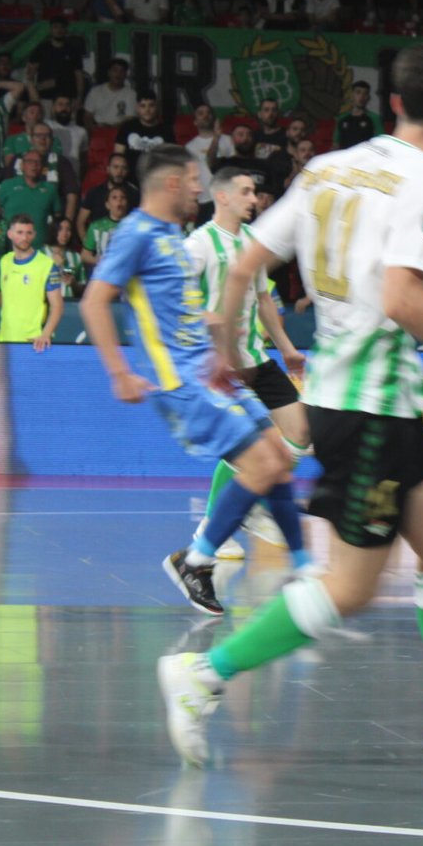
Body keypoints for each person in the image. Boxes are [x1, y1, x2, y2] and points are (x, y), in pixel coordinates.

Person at [158, 42, 423, 775]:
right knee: (350, 586)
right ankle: (203, 676)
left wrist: (229, 350)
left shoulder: (328, 168)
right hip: (367, 407)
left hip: (368, 400)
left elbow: (244, 265)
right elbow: (402, 298)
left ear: (395, 101)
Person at [80, 145, 311, 618]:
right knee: (264, 466)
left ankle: (307, 570)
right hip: (181, 381)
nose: (197, 190)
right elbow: (93, 301)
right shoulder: (138, 233)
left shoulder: (170, 233)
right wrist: (120, 373)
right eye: (191, 181)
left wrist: (219, 345)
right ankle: (197, 558)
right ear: (170, 184)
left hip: (210, 370)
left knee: (280, 457)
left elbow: (183, 312)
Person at [184, 169, 311, 560]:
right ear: (220, 196)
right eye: (245, 191)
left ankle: (251, 502)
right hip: (223, 368)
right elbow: (177, 301)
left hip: (258, 359)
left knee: (301, 433)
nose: (253, 198)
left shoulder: (253, 243)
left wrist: (287, 347)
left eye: (254, 191)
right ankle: (212, 522)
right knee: (250, 451)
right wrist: (208, 318)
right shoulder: (199, 244)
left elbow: (265, 299)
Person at [0, 213, 62, 352]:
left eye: (28, 233)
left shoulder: (46, 265)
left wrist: (45, 334)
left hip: (33, 342)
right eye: (19, 232)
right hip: (4, 339)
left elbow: (57, 306)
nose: (24, 238)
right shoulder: (4, 261)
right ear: (10, 234)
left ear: (34, 235)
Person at [80, 181, 129, 269]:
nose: (119, 201)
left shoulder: (135, 226)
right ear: (107, 205)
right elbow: (85, 255)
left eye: (123, 198)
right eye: (114, 198)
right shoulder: (96, 226)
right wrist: (98, 260)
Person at [45, 214, 84, 299]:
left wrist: (73, 284)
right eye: (60, 229)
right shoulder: (41, 254)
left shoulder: (76, 257)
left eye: (68, 230)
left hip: (68, 306)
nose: (65, 234)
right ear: (54, 231)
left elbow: (82, 289)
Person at [334, 80, 378, 149]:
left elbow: (380, 143)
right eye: (358, 92)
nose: (361, 97)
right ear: (352, 95)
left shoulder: (374, 118)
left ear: (368, 97)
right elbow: (336, 143)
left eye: (365, 94)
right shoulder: (342, 118)